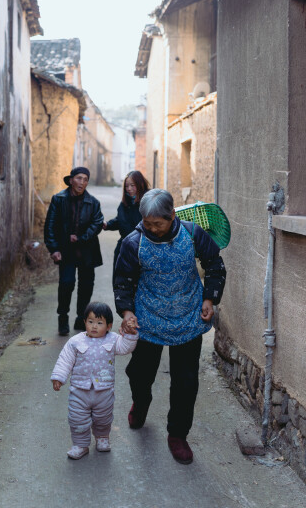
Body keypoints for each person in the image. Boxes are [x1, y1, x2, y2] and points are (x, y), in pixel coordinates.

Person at [114, 188, 226, 465]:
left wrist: (209, 298)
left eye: (158, 224)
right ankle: (141, 403)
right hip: (148, 317)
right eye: (148, 223)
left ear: (172, 215)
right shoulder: (133, 242)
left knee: (185, 382)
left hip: (188, 315)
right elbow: (123, 281)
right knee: (139, 373)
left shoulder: (192, 233)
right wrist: (127, 312)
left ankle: (177, 435)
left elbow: (215, 264)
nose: (153, 229)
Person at [51, 302, 138, 459]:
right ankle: (80, 445)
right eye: (90, 322)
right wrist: (58, 377)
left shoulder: (113, 340)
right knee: (77, 419)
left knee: (103, 419)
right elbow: (65, 360)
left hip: (104, 391)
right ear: (84, 322)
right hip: (79, 391)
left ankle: (102, 438)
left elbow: (126, 347)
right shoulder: (75, 342)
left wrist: (131, 334)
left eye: (99, 323)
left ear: (109, 325)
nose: (94, 327)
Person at [44, 167, 104, 335]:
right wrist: (53, 248)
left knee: (86, 286)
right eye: (79, 178)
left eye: (85, 179)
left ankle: (81, 318)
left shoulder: (93, 202)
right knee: (66, 284)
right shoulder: (59, 199)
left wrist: (81, 238)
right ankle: (62, 317)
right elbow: (50, 225)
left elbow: (97, 223)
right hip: (66, 251)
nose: (82, 182)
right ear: (70, 180)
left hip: (87, 252)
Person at [103, 170, 150, 277]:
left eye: (132, 185)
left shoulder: (149, 202)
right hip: (123, 248)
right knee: (121, 284)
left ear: (140, 184)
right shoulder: (125, 203)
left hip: (142, 250)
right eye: (127, 186)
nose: (129, 189)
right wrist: (107, 224)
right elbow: (121, 220)